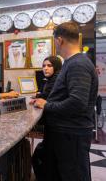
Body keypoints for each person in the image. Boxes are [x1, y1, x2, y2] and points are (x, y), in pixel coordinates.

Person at [31, 22, 98, 181]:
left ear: (59, 40)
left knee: (73, 175)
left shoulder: (77, 64)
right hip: (65, 132)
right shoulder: (72, 62)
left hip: (70, 134)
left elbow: (77, 103)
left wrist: (47, 105)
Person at [31, 55, 62, 181]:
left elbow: (46, 98)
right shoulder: (51, 80)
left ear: (56, 66)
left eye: (49, 65)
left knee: (43, 156)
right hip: (55, 125)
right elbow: (44, 96)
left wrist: (38, 98)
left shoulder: (55, 80)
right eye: (43, 66)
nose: (45, 68)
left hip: (56, 125)